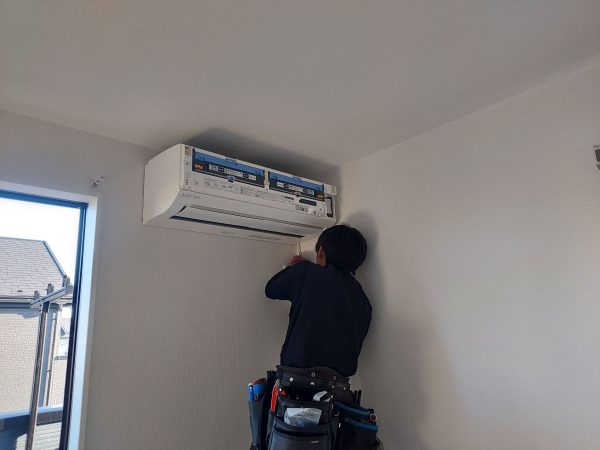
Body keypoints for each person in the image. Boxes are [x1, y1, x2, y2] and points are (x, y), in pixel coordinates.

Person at [265, 224, 372, 379]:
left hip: (299, 378)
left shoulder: (307, 272)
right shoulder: (363, 302)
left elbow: (271, 289)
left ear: (321, 253)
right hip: (338, 385)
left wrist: (294, 268)